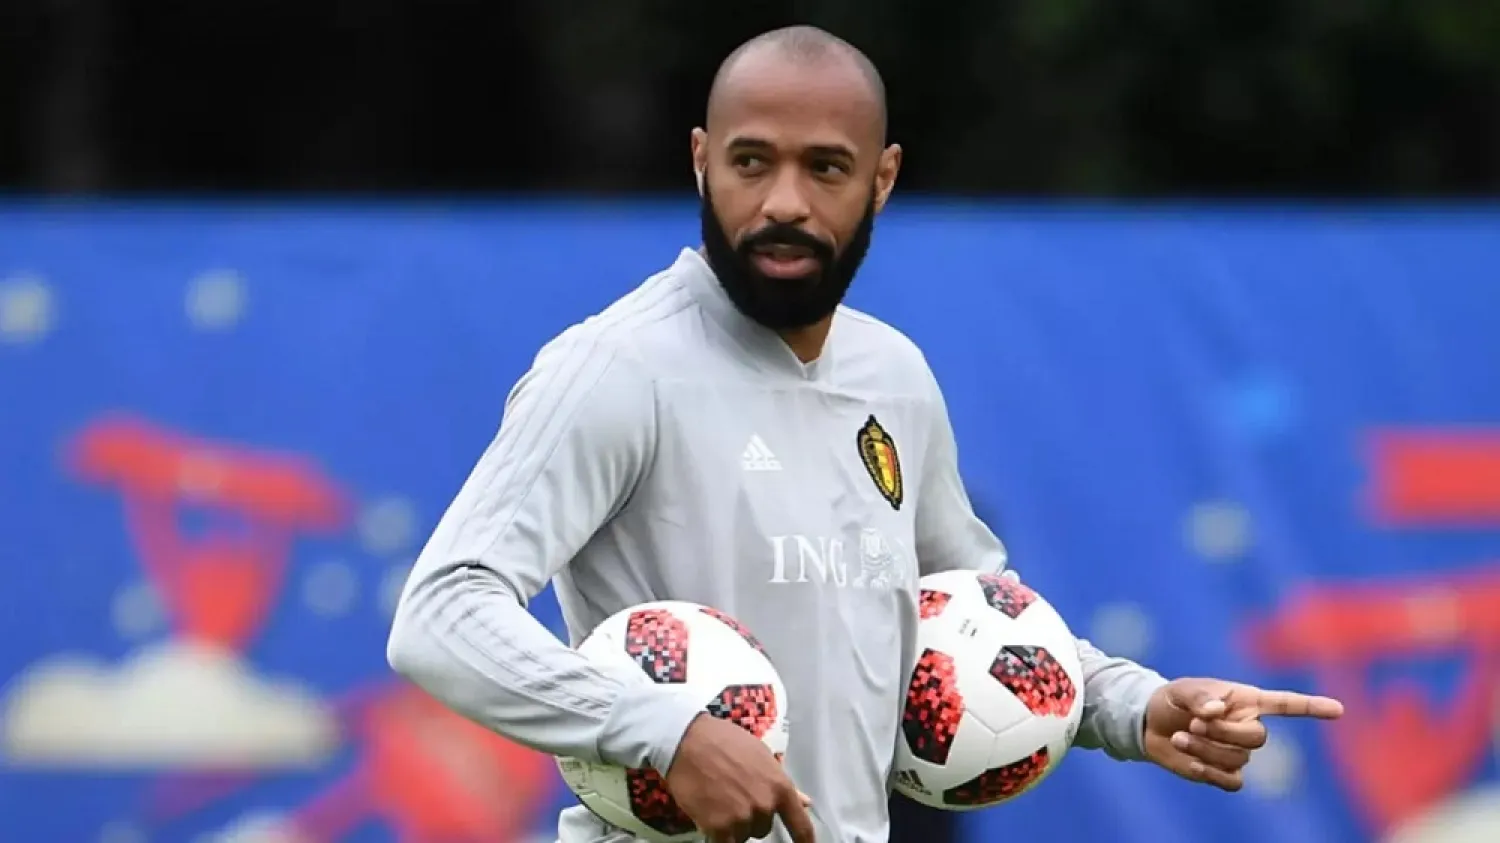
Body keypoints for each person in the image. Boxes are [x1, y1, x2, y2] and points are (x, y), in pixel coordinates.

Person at [386, 25, 1344, 843]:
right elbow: (441, 613)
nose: (785, 202)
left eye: (826, 167)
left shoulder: (895, 377)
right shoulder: (615, 368)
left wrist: (1136, 706)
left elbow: (976, 619)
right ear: (699, 160)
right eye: (751, 161)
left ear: (882, 179)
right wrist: (665, 731)